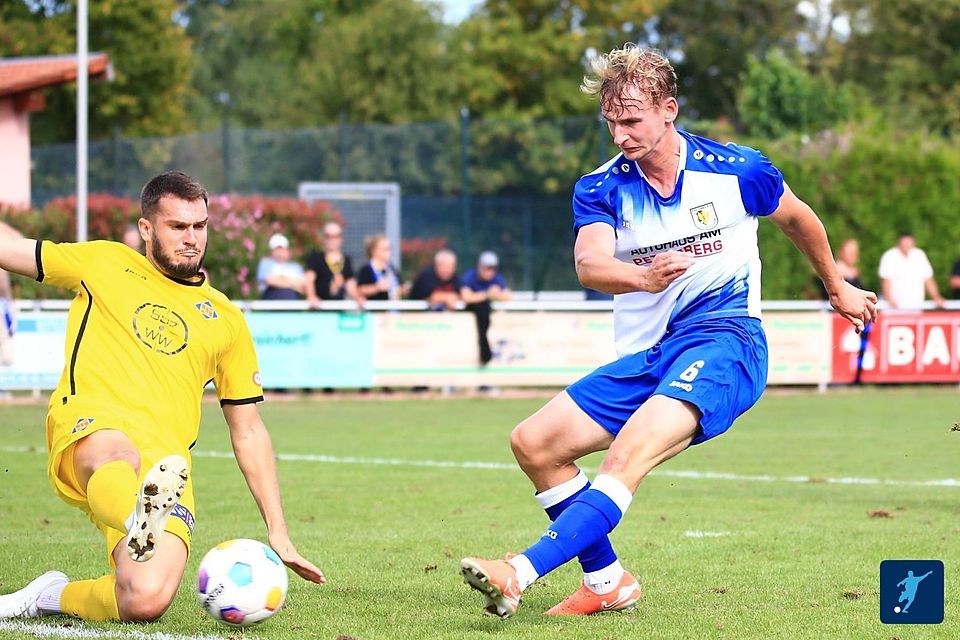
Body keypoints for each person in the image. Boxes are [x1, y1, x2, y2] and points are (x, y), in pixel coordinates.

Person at [459, 45, 876, 619]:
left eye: (631, 120)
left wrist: (838, 287)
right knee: (535, 443)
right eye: (611, 123)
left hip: (726, 342)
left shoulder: (737, 171)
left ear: (669, 109)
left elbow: (799, 218)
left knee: (624, 459)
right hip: (652, 356)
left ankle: (519, 572)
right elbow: (589, 264)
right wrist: (643, 277)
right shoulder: (601, 187)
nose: (620, 135)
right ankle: (607, 584)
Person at [0, 171, 323, 623]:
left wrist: (279, 531)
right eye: (178, 227)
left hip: (166, 468)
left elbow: (248, 430)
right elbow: (9, 250)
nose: (191, 238)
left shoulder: (226, 319)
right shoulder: (104, 262)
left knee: (144, 599)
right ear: (146, 228)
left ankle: (50, 595)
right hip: (92, 424)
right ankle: (137, 517)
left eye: (200, 226)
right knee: (118, 451)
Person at [460, 251, 512, 367]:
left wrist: (497, 294)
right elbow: (466, 297)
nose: (489, 271)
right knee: (481, 306)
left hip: (485, 317)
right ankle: (485, 353)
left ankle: (485, 355)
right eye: (486, 268)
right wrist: (487, 294)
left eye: (492, 268)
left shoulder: (496, 278)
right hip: (473, 313)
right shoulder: (470, 276)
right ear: (479, 266)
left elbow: (508, 296)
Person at [877, 233, 944, 310]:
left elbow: (928, 279)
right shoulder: (889, 256)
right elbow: (885, 280)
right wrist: (889, 299)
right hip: (893, 307)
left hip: (915, 305)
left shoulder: (919, 255)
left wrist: (936, 296)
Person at [304, 221, 363, 308]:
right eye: (328, 236)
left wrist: (357, 297)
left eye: (336, 236)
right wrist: (311, 296)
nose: (332, 240)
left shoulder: (346, 260)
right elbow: (309, 279)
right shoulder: (316, 257)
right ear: (323, 238)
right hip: (319, 307)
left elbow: (350, 283)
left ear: (341, 239)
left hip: (339, 307)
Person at [256, 233, 305, 300]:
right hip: (271, 301)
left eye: (282, 249)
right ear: (272, 251)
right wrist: (292, 283)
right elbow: (270, 281)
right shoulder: (265, 263)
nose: (280, 252)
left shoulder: (296, 267)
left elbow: (302, 286)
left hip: (292, 302)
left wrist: (281, 279)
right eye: (277, 249)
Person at [356, 235, 402, 301]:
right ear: (373, 251)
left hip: (392, 309)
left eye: (389, 248)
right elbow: (359, 290)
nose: (389, 252)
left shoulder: (391, 268)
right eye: (385, 249)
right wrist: (377, 287)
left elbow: (399, 286)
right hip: (374, 309)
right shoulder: (366, 269)